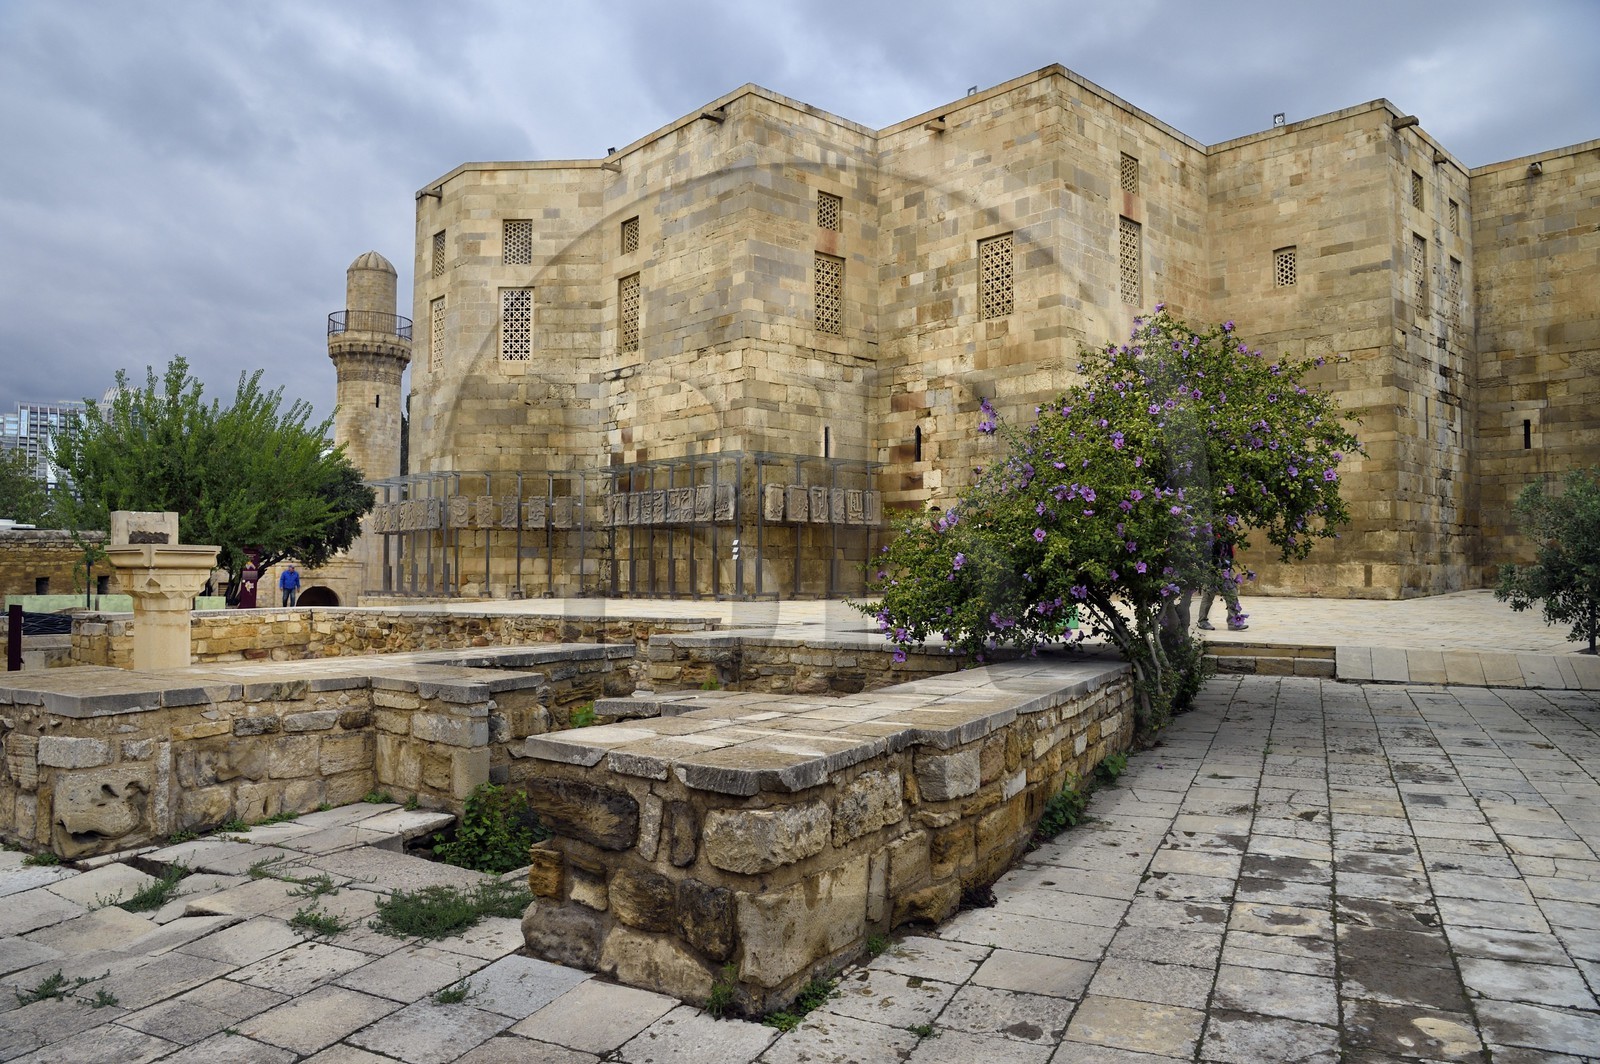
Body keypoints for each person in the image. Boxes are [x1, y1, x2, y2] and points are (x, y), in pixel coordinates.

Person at [1197, 533, 1248, 631]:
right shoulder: (1210, 535)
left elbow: (1231, 552)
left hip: (1226, 570)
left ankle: (1233, 622)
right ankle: (1202, 621)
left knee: (1232, 595)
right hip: (1211, 571)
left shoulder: (1228, 536)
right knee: (1208, 596)